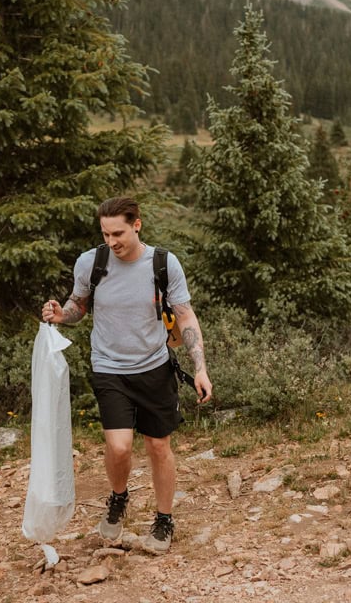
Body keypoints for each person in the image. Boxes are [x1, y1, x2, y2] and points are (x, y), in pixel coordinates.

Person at [42, 197, 212, 554]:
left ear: (137, 225)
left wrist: (200, 368)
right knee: (118, 448)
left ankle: (163, 519)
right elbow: (79, 306)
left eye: (117, 233)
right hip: (109, 368)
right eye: (105, 234)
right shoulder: (92, 262)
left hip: (154, 367)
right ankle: (119, 498)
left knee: (158, 446)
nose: (111, 241)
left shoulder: (164, 263)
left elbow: (184, 316)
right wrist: (62, 314)